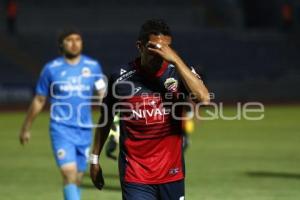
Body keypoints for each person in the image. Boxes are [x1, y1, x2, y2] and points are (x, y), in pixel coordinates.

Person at [90, 19, 210, 200]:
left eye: (166, 49)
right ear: (140, 46)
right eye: (155, 48)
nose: (161, 54)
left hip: (172, 173)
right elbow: (105, 120)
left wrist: (176, 59)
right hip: (135, 174)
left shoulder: (177, 72)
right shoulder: (121, 79)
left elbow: (204, 98)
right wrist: (94, 159)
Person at [19, 29, 106, 200]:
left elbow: (103, 93)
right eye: (69, 40)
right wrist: (26, 127)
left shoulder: (93, 66)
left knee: (78, 179)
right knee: (69, 174)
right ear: (61, 44)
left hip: (85, 130)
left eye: (78, 39)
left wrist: (113, 117)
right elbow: (39, 99)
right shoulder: (51, 69)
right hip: (61, 128)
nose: (74, 43)